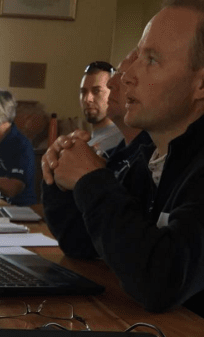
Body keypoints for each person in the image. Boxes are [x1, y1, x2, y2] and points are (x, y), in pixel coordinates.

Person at [41, 0, 204, 337]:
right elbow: (83, 243)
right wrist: (61, 177)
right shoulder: (154, 154)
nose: (127, 76)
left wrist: (92, 180)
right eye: (137, 56)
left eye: (151, 60)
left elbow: (161, 280)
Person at [43, 50, 154, 258]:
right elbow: (77, 242)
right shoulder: (122, 154)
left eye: (123, 76)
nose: (112, 84)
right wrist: (54, 174)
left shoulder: (151, 156)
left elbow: (134, 250)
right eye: (83, 92)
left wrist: (92, 179)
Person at [80, 61, 123, 157]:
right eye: (83, 92)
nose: (87, 99)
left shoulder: (123, 143)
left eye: (96, 91)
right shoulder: (86, 142)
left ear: (114, 93)